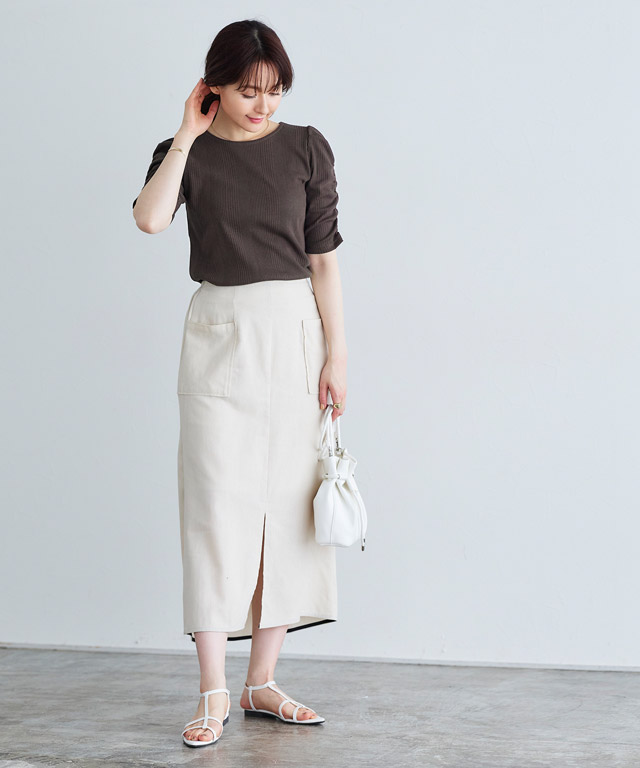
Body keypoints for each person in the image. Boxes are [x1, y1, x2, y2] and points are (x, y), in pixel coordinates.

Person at [132, 19, 347, 747]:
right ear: (213, 86)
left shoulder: (307, 148)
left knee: (287, 507)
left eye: (275, 91)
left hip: (295, 332)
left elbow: (324, 261)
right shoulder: (186, 151)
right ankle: (213, 688)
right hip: (218, 332)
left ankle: (261, 679)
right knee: (214, 506)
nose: (263, 105)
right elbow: (150, 220)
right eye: (249, 90)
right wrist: (186, 134)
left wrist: (338, 355)